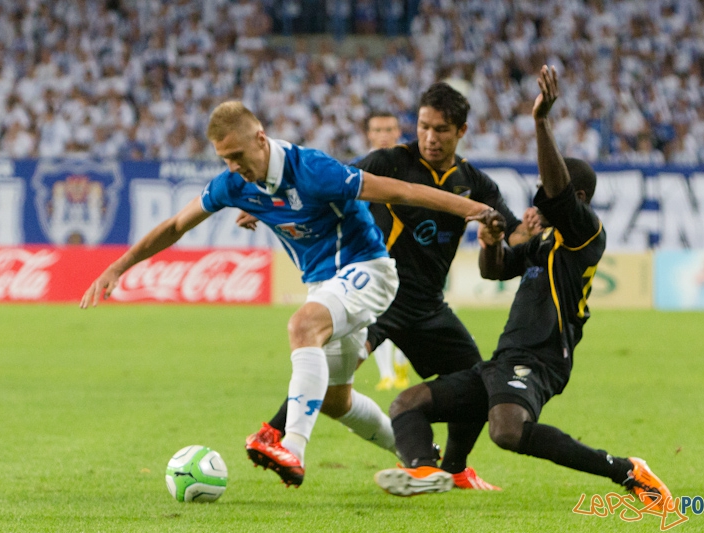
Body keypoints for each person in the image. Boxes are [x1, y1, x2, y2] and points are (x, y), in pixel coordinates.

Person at [79, 101, 505, 488]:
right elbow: (176, 225)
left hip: (369, 270)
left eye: (238, 156)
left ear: (260, 139)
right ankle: (425, 465)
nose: (234, 167)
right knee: (338, 401)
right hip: (324, 283)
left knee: (302, 325)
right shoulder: (234, 184)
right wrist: (118, 267)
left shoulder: (314, 170)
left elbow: (402, 191)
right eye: (224, 159)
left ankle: (291, 449)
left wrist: (475, 210)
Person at [373, 66, 672, 511]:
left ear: (578, 202)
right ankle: (425, 470)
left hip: (543, 358)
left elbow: (557, 191)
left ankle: (627, 469)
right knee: (406, 403)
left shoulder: (585, 236)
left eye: (548, 195)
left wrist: (541, 122)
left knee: (506, 431)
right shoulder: (543, 245)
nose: (537, 201)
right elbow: (495, 271)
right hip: (506, 359)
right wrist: (491, 242)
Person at [248, 82, 538, 491]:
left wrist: (530, 229)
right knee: (332, 377)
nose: (430, 138)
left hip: (428, 307)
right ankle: (273, 434)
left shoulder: (474, 182)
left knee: (474, 384)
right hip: (377, 296)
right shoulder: (389, 162)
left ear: (462, 131)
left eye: (441, 130)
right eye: (424, 127)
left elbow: (513, 237)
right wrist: (267, 208)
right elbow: (328, 187)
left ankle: (453, 469)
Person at [353, 111, 412, 391]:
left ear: (398, 131)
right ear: (369, 134)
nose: (384, 134)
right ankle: (388, 374)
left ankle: (400, 366)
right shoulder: (361, 172)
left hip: (411, 255)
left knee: (408, 314)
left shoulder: (410, 167)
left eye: (390, 128)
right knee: (376, 315)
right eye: (378, 129)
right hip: (376, 257)